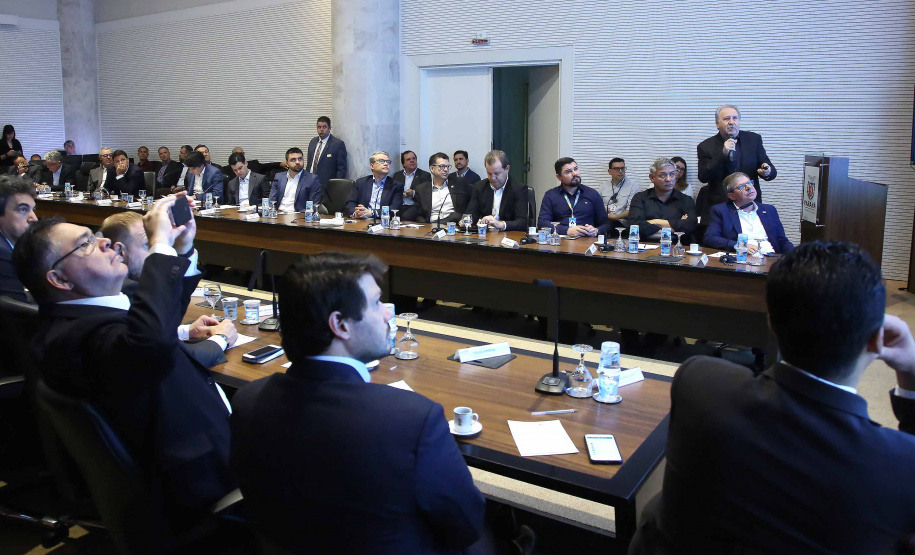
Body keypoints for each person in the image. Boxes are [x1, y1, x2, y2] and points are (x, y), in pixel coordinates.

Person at [630, 242, 915, 554]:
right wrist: (911, 374)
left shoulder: (699, 382)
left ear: (769, 321)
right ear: (877, 340)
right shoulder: (900, 464)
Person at [230, 252, 486, 554]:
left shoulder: (247, 400)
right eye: (377, 303)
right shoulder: (413, 419)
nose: (388, 313)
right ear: (340, 324)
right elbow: (466, 525)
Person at [14, 195, 236, 528]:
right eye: (85, 245)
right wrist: (159, 245)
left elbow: (157, 320)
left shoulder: (84, 317)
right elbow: (150, 342)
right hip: (205, 479)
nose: (105, 242)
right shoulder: (75, 338)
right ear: (59, 280)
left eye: (94, 235)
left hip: (200, 450)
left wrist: (182, 248)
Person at [98, 210, 238, 368]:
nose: (154, 251)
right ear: (119, 251)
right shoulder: (123, 291)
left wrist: (186, 331)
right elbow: (171, 358)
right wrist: (222, 339)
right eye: (147, 245)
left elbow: (142, 333)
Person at [697, 105, 776, 223]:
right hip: (721, 206)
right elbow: (703, 176)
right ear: (717, 124)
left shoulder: (754, 140)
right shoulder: (705, 146)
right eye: (726, 119)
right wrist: (722, 154)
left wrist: (767, 172)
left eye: (735, 118)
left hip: (749, 204)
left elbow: (769, 169)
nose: (731, 122)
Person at [703, 172, 794, 254]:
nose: (749, 188)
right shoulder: (721, 211)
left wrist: (796, 256)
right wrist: (739, 245)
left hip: (770, 257)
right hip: (744, 258)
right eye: (741, 186)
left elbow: (782, 240)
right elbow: (710, 238)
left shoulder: (769, 210)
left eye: (749, 183)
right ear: (732, 196)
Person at [627, 157, 697, 241]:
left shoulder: (686, 200)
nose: (668, 179)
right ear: (652, 178)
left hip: (677, 249)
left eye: (672, 174)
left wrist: (655, 222)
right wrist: (674, 230)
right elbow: (634, 226)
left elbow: (689, 226)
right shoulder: (640, 198)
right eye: (663, 175)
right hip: (645, 248)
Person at [537, 157, 610, 238]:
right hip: (560, 241)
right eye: (568, 172)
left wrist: (596, 230)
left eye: (576, 169)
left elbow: (606, 224)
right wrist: (567, 230)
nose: (574, 173)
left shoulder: (592, 194)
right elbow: (542, 223)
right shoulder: (551, 195)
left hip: (587, 241)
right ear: (559, 177)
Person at [465, 150, 529, 231]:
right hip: (485, 236)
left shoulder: (519, 189)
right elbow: (470, 215)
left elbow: (522, 222)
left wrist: (500, 224)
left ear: (507, 169)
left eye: (497, 173)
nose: (493, 178)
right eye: (489, 174)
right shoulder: (479, 187)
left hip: (508, 235)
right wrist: (466, 221)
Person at [407, 152, 471, 224]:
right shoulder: (421, 189)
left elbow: (471, 204)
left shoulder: (459, 183)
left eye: (447, 166)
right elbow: (420, 215)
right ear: (432, 168)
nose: (446, 170)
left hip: (453, 226)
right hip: (431, 227)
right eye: (442, 166)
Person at [0, 175, 36, 302]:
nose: (34, 218)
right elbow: (15, 313)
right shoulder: (2, 253)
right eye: (23, 209)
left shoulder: (18, 245)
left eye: (33, 210)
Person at [344, 151, 403, 219]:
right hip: (361, 220)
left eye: (388, 162)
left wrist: (371, 213)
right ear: (372, 166)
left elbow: (394, 209)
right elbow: (350, 204)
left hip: (382, 221)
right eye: (382, 161)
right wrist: (356, 213)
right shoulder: (361, 182)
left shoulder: (396, 185)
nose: (386, 164)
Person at [267, 147, 322, 212]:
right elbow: (271, 200)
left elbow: (314, 206)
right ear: (287, 163)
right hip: (279, 214)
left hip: (298, 216)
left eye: (300, 159)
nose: (297, 162)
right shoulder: (279, 177)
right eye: (293, 160)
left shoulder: (312, 179)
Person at [306, 116, 348, 186]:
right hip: (310, 182)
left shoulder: (337, 144)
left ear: (329, 128)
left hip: (327, 185)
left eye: (324, 127)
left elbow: (341, 169)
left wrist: (336, 185)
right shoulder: (313, 142)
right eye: (319, 127)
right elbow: (309, 162)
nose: (321, 129)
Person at [598, 157, 639, 226]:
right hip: (605, 219)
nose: (620, 171)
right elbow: (597, 205)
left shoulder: (632, 186)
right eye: (617, 169)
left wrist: (615, 217)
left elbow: (632, 210)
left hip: (622, 222)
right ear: (610, 171)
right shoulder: (603, 186)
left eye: (622, 168)